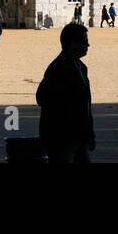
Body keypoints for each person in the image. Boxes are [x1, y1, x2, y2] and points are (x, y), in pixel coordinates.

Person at [37, 23, 95, 163]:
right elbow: (41, 98)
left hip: (79, 135)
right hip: (62, 137)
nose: (88, 45)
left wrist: (89, 133)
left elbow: (86, 105)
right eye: (84, 41)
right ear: (72, 43)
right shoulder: (57, 68)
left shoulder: (81, 67)